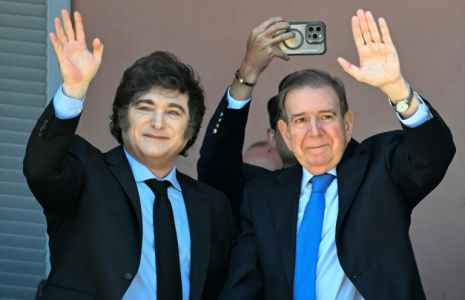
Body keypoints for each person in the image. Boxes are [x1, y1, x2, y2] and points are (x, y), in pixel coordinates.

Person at [219, 9, 455, 300]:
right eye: (301, 120)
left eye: (326, 116)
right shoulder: (261, 197)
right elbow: (243, 287)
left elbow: (434, 156)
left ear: (347, 125)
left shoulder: (380, 168)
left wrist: (397, 89)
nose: (315, 131)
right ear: (285, 133)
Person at [23, 10, 237, 300]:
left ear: (190, 130)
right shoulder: (85, 173)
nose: (157, 123)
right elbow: (40, 168)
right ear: (122, 118)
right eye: (145, 108)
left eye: (173, 112)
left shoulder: (213, 205)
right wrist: (73, 91)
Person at [197, 17, 298, 222]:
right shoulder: (253, 189)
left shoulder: (356, 182)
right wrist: (247, 72)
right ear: (273, 136)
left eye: (325, 117)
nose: (311, 129)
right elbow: (218, 162)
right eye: (296, 120)